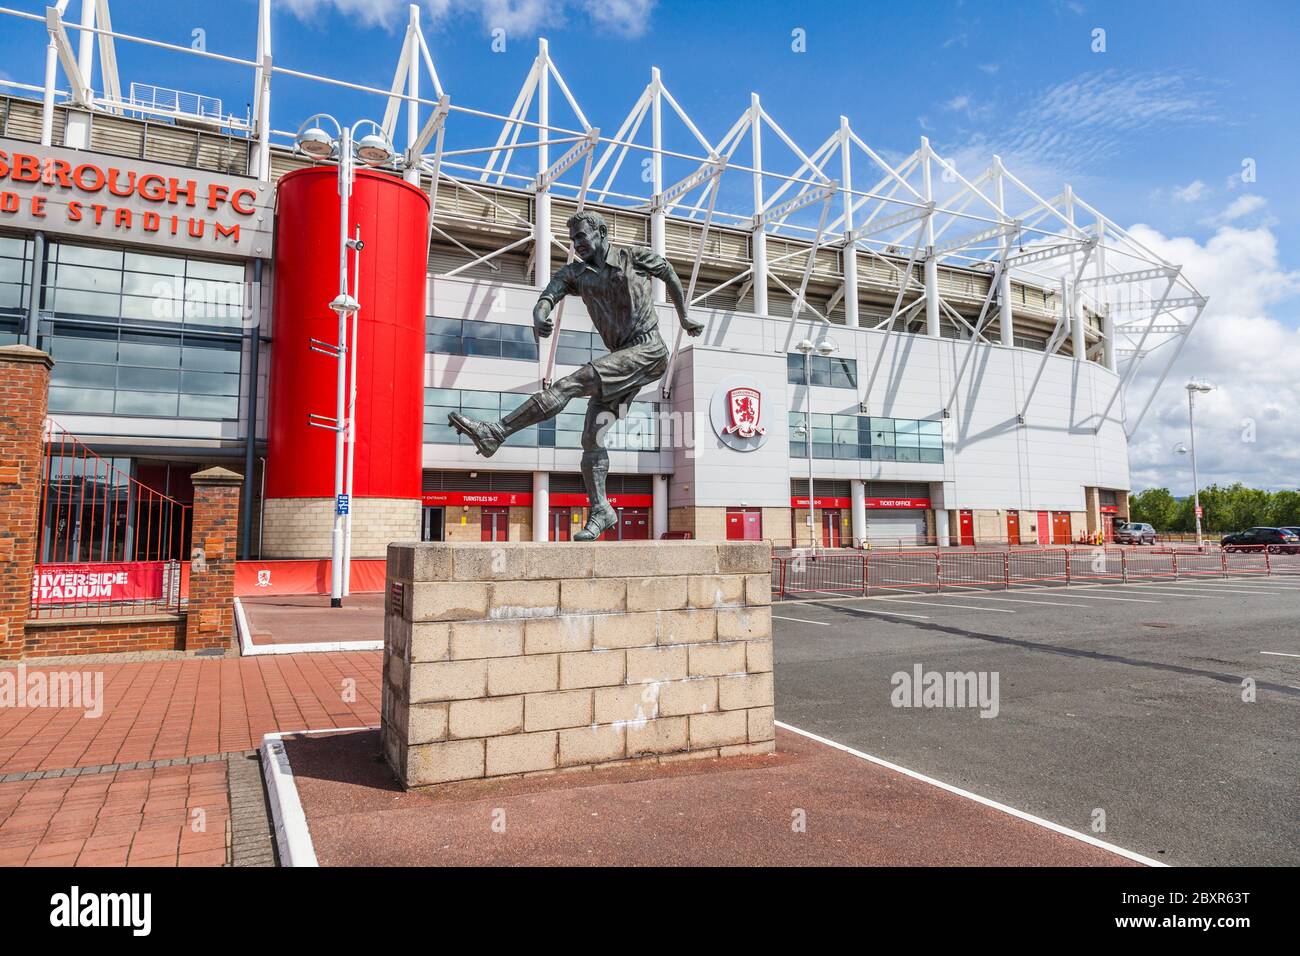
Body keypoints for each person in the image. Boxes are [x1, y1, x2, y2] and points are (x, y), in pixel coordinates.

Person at [449, 209, 704, 540]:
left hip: (648, 350)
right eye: (572, 240)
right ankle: (601, 509)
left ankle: (496, 431)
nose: (577, 244)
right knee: (591, 438)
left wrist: (684, 317)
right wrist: (538, 315)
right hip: (622, 359)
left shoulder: (631, 258)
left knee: (569, 384)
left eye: (582, 236)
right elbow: (549, 295)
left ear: (600, 233)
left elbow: (668, 273)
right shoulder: (576, 274)